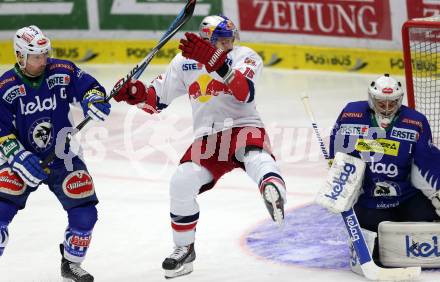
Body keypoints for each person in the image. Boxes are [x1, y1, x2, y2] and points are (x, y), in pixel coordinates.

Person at [114, 15, 287, 278]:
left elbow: (245, 92)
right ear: (208, 40)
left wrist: (217, 62)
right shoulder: (184, 63)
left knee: (254, 156)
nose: (230, 43)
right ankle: (184, 250)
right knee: (181, 181)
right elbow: (155, 101)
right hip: (208, 137)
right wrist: (135, 93)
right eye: (224, 40)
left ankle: (273, 191)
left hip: (244, 125)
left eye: (231, 39)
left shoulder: (245, 55)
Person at [0, 25, 111, 281]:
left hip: (63, 155)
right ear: (20, 56)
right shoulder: (5, 87)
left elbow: (90, 88)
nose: (43, 60)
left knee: (85, 214)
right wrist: (17, 156)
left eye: (44, 54)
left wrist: (93, 100)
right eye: (36, 56)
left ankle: (71, 264)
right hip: (21, 160)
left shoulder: (62, 71)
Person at [328, 73, 440, 270]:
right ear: (372, 99)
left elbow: (426, 160)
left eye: (392, 103)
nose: (388, 108)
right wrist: (340, 181)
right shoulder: (351, 115)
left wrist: (436, 192)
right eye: (382, 103)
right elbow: (339, 153)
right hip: (370, 198)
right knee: (378, 247)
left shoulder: (416, 121)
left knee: (428, 222)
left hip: (406, 195)